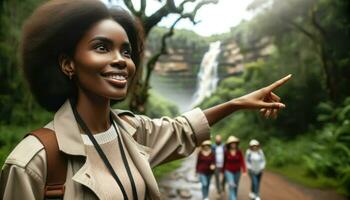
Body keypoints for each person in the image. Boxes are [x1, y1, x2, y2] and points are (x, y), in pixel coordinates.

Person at [0, 0, 291, 199]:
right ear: (68, 64)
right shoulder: (33, 161)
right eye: (102, 47)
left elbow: (183, 129)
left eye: (126, 52)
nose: (120, 61)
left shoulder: (133, 131)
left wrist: (238, 102)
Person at [223, 136, 246, 200]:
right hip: (228, 171)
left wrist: (244, 170)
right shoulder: (226, 152)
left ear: (236, 144)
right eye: (232, 143)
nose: (233, 144)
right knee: (231, 185)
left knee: (235, 186)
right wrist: (222, 171)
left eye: (234, 143)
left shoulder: (239, 151)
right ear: (229, 144)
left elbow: (242, 161)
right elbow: (224, 162)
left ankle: (233, 197)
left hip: (237, 171)